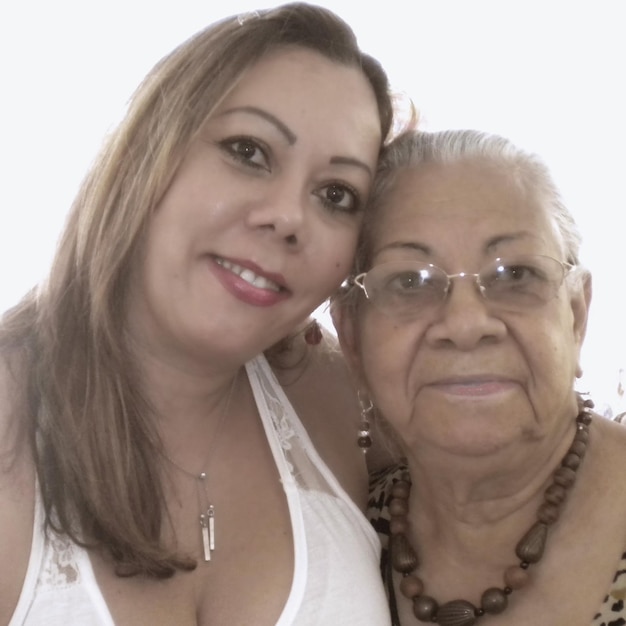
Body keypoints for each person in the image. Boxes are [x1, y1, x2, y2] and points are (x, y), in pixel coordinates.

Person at [0, 4, 398, 624]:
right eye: (249, 151)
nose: (289, 217)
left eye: (336, 195)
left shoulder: (341, 398)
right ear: (143, 154)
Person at [332, 128, 626, 625]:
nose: (466, 326)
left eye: (515, 275)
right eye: (410, 280)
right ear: (353, 340)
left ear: (576, 317)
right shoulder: (338, 539)